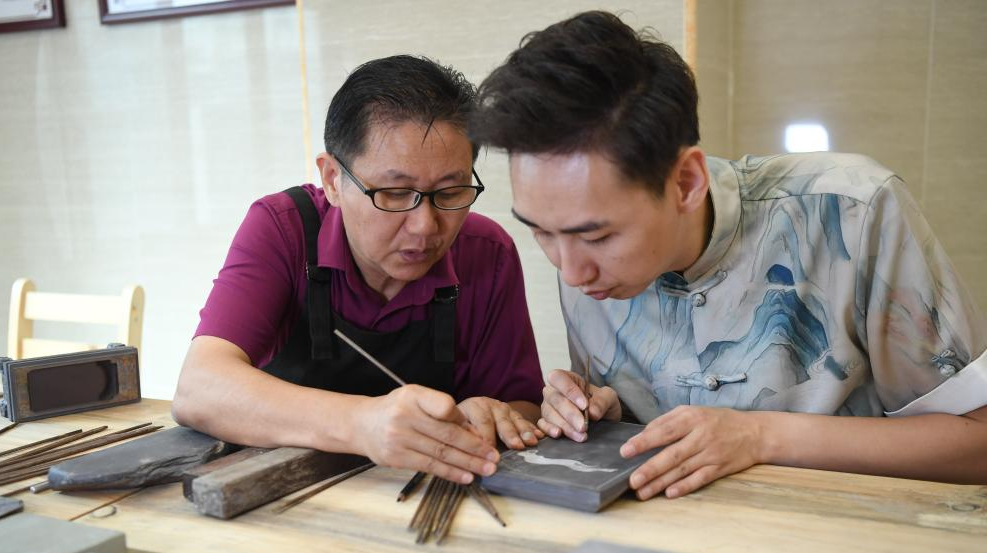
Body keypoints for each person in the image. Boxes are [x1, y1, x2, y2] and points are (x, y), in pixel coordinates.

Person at [469, 11, 987, 499]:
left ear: (686, 182)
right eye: (541, 233)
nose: (571, 272)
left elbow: (977, 442)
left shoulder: (852, 211)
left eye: (598, 237)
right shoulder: (580, 252)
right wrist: (600, 413)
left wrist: (760, 435)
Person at [173, 55, 544, 485]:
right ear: (333, 179)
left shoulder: (487, 252)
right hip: (279, 492)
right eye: (395, 193)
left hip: (421, 493)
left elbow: (524, 408)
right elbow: (198, 388)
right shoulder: (284, 228)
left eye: (450, 192)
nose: (425, 226)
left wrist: (488, 414)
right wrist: (362, 423)